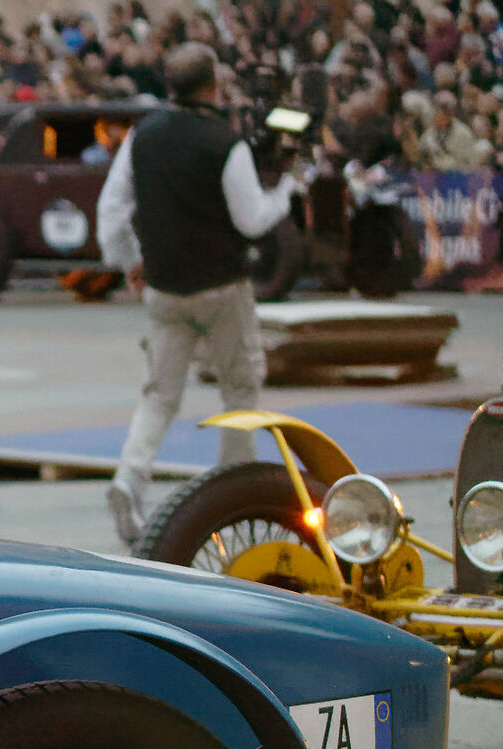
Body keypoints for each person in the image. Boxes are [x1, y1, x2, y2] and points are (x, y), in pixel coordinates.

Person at [98, 42, 301, 547]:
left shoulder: (142, 136)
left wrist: (131, 263)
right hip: (222, 287)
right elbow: (251, 219)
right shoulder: (224, 142)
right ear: (213, 85)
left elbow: (111, 213)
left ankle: (129, 478)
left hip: (165, 288)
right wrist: (286, 190)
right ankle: (233, 499)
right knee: (240, 388)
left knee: (159, 395)